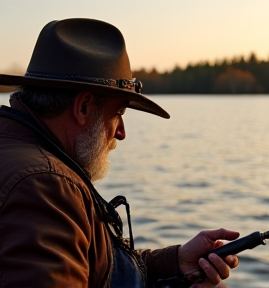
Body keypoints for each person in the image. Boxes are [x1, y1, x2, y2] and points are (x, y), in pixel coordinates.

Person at [0, 18, 239, 288]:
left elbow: (94, 267)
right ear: (84, 107)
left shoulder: (19, 156)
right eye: (118, 113)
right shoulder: (44, 186)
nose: (121, 132)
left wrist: (175, 262)